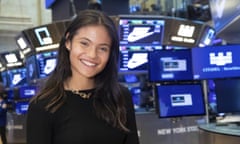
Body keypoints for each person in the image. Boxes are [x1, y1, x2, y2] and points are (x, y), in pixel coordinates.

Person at [26, 9, 139, 144]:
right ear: (68, 42)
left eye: (102, 48)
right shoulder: (43, 105)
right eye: (84, 43)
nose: (92, 55)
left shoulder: (120, 96)